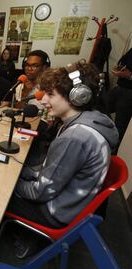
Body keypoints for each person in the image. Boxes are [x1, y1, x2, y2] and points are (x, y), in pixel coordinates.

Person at [7, 61, 119, 257]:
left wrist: (9, 184)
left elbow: (40, 192)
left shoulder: (75, 137)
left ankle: (29, 237)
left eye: (51, 95)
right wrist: (21, 171)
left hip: (56, 212)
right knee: (16, 173)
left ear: (77, 97)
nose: (42, 101)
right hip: (72, 201)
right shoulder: (91, 119)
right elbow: (52, 170)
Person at [109, 47, 132, 145]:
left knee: (120, 125)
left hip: (129, 93)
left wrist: (129, 76)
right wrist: (119, 68)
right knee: (100, 108)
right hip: (120, 87)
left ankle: (112, 153)